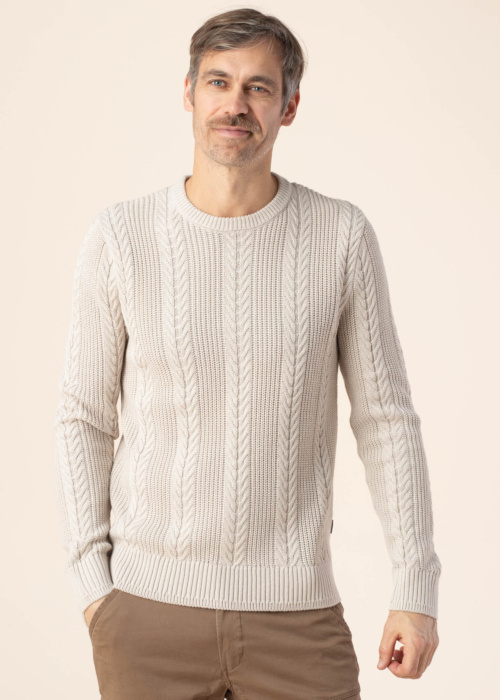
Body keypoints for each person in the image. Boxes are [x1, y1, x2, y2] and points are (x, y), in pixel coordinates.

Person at [53, 8, 441, 699]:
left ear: (289, 107)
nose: (235, 104)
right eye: (219, 82)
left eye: (258, 87)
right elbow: (83, 418)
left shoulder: (340, 236)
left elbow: (386, 420)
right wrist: (94, 590)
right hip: (146, 615)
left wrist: (415, 586)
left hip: (296, 616)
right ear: (188, 93)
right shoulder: (121, 237)